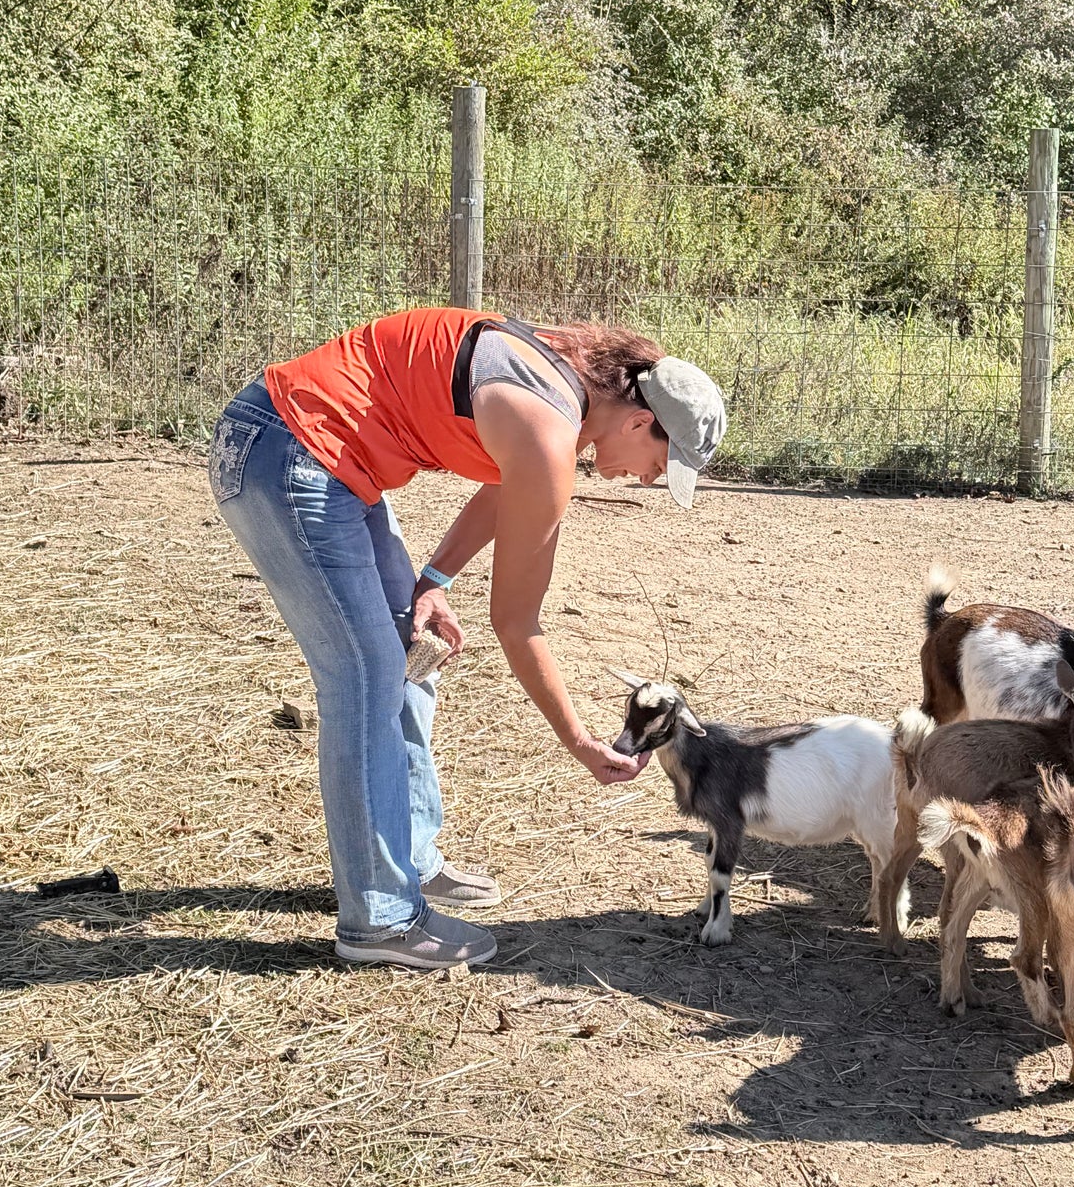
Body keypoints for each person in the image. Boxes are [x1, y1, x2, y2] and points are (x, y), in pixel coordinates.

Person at [208, 307, 727, 972]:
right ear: (635, 420)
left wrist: (433, 576)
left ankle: (409, 857)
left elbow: (506, 482)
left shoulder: (558, 389)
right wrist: (577, 739)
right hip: (291, 452)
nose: (650, 478)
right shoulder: (549, 430)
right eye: (661, 461)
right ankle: (380, 918)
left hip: (325, 457)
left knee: (409, 660)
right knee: (366, 682)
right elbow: (517, 620)